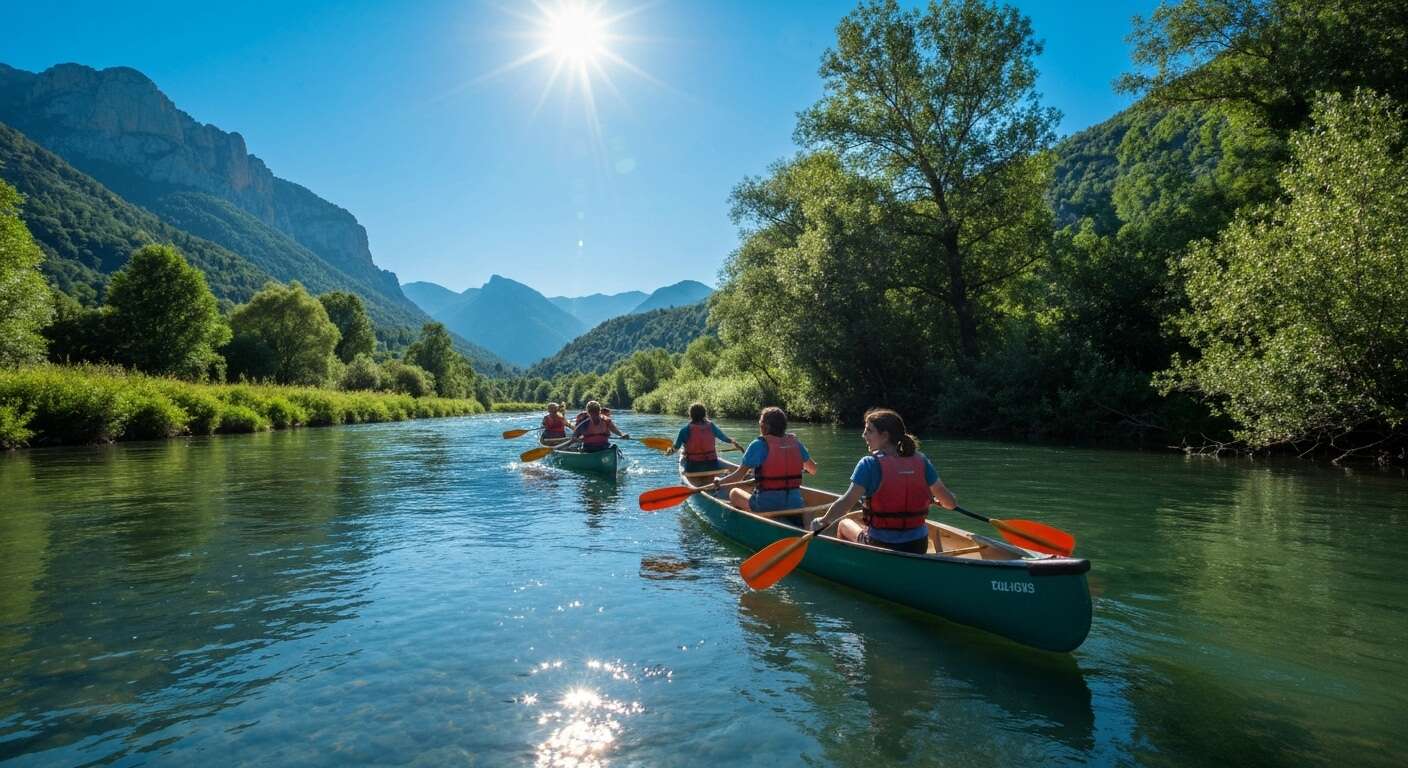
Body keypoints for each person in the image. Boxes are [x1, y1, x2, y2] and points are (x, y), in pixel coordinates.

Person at [810, 408, 955, 554]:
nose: (863, 435)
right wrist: (943, 499)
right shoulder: (922, 461)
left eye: (869, 431)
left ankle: (851, 565)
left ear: (884, 436)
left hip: (880, 544)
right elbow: (950, 504)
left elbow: (845, 503)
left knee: (843, 524)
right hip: (917, 545)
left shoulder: (868, 464)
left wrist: (823, 521)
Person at [712, 407, 817, 527]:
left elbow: (738, 477)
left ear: (764, 426)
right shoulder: (796, 443)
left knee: (734, 493)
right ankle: (808, 531)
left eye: (760, 423)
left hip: (765, 506)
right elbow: (813, 470)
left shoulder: (758, 445)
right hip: (794, 505)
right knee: (807, 506)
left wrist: (720, 482)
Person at [668, 402, 744, 474]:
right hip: (712, 464)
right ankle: (743, 471)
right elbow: (725, 438)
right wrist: (735, 443)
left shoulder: (684, 430)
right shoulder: (711, 426)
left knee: (683, 455)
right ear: (704, 414)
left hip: (693, 467)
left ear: (690, 415)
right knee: (716, 459)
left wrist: (670, 451)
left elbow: (676, 448)